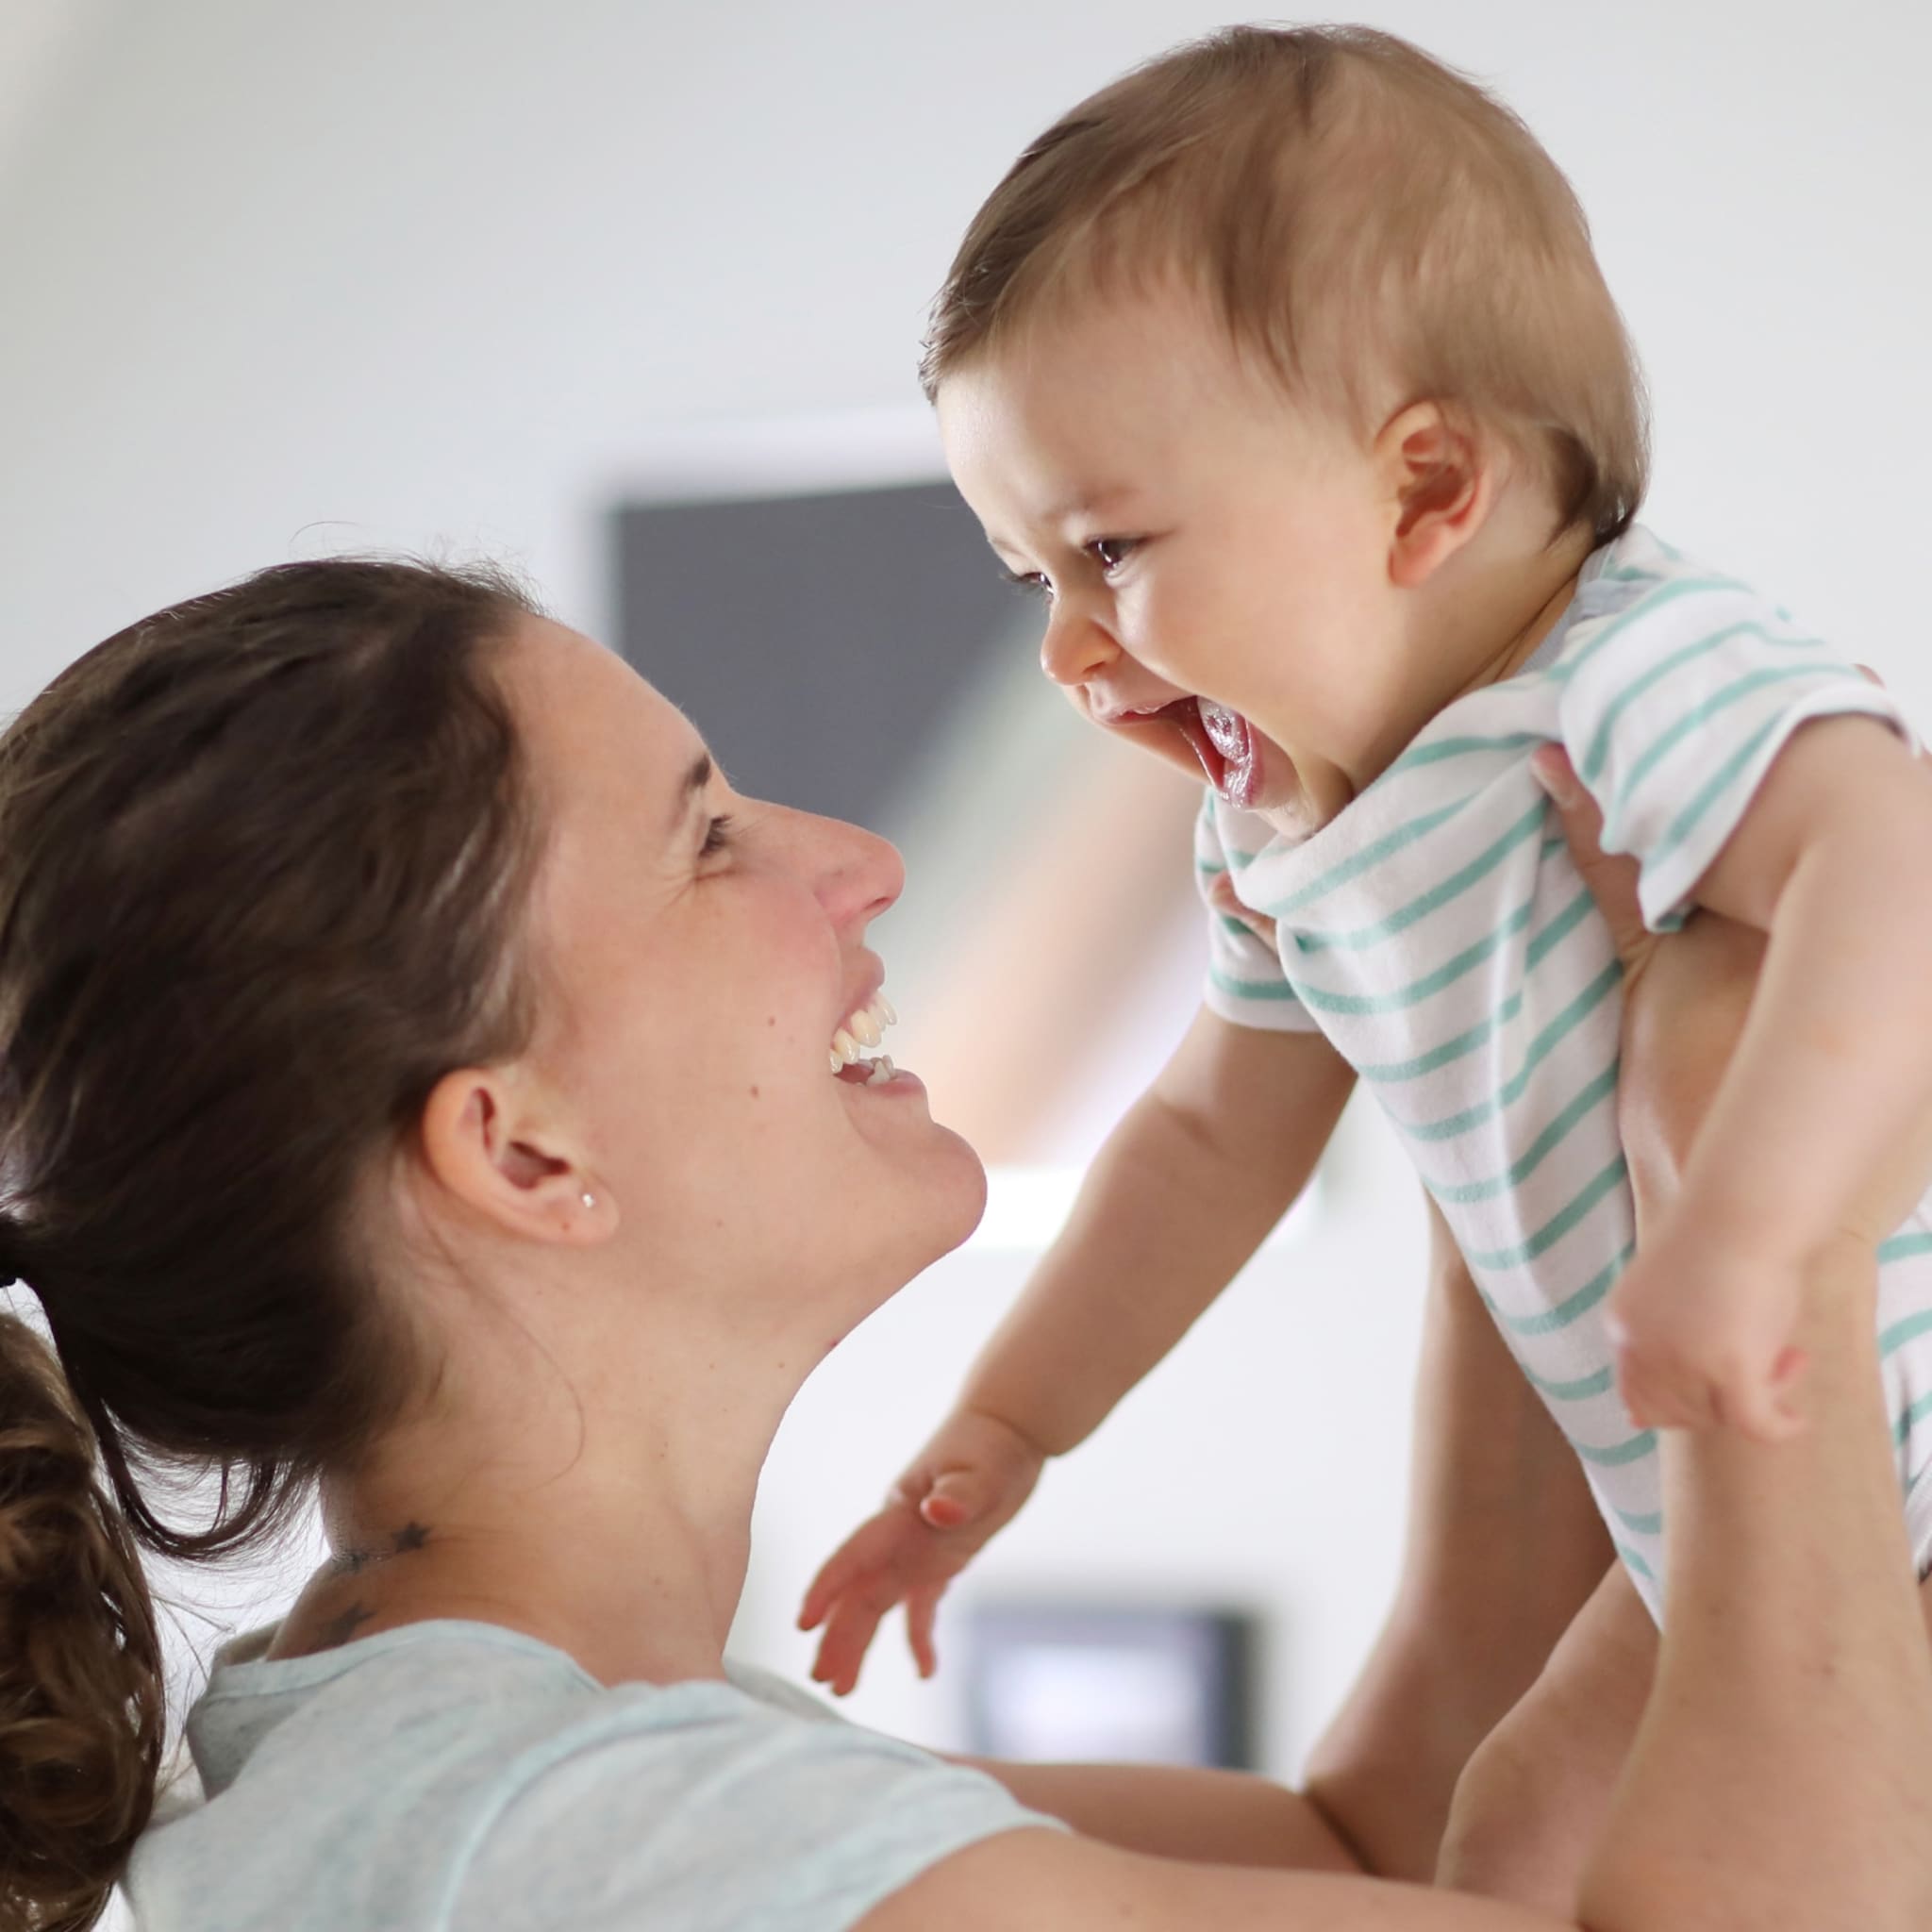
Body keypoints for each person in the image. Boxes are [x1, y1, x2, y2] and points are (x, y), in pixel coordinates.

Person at [0, 558, 1927, 1930]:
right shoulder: (598, 1850)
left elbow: (1389, 1842)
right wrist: (1770, 1227)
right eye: (707, 839)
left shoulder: (489, 1773)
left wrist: (1508, 1055)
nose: (856, 857)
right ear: (519, 1146)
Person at [802, 25, 1932, 1894]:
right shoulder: (1282, 828)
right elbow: (1195, 1144)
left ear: (1424, 491)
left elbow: (1890, 872)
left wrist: (1748, 1226)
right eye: (1031, 581)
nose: (1072, 656)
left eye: (1108, 551)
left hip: (1879, 1431)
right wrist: (1010, 1424)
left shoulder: (1622, 672)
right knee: (1498, 1841)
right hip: (1702, 1514)